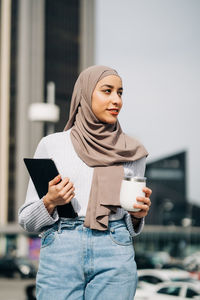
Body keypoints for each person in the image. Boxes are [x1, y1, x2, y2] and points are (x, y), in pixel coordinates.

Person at [19, 65, 152, 300]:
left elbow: (132, 225)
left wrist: (137, 215)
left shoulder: (133, 152)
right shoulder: (53, 145)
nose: (116, 100)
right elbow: (27, 220)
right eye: (107, 91)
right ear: (85, 94)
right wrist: (50, 201)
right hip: (61, 246)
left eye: (120, 93)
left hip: (115, 246)